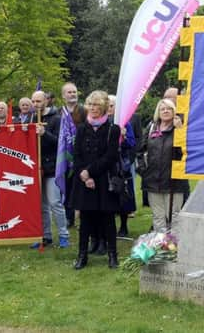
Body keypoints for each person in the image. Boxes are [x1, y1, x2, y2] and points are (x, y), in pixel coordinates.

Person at [72, 90, 120, 269]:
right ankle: (82, 256)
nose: (92, 108)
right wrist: (84, 175)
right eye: (90, 105)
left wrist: (90, 172)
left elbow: (110, 157)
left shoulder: (112, 129)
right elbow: (76, 155)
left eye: (96, 105)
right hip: (85, 182)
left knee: (108, 219)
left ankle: (112, 256)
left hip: (103, 179)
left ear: (104, 108)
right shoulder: (82, 128)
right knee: (85, 220)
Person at [138, 98, 189, 232]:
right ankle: (161, 245)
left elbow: (186, 151)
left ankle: (175, 246)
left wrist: (180, 130)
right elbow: (140, 151)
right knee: (158, 216)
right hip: (152, 180)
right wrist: (143, 170)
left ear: (174, 111)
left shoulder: (180, 129)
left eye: (169, 108)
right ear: (158, 112)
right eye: (162, 108)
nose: (165, 111)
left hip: (174, 181)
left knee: (174, 216)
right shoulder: (151, 128)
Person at [29, 91, 69, 249]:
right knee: (41, 205)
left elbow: (60, 142)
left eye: (38, 101)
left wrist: (44, 134)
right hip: (37, 168)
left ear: (46, 101)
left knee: (55, 203)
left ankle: (63, 235)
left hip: (52, 167)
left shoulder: (56, 119)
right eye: (33, 101)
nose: (35, 104)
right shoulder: (32, 118)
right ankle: (45, 236)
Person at [58, 82, 86, 228]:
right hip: (65, 157)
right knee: (68, 188)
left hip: (81, 155)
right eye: (69, 92)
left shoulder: (84, 111)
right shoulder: (59, 113)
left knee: (82, 187)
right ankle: (69, 217)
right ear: (63, 96)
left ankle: (84, 217)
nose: (72, 94)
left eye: (74, 92)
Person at [108, 95, 136, 237]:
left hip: (121, 165)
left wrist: (124, 137)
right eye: (107, 105)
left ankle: (123, 226)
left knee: (123, 196)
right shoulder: (101, 122)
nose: (109, 109)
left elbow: (131, 144)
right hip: (107, 166)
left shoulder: (125, 123)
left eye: (112, 106)